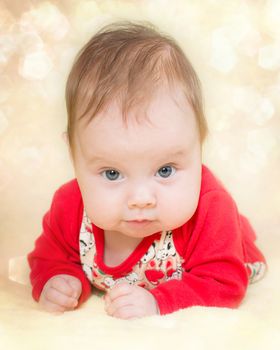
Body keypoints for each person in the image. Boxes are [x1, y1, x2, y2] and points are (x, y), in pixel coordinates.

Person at [28, 21, 266, 319]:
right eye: (112, 173)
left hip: (227, 247)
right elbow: (48, 257)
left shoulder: (211, 209)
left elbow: (223, 283)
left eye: (165, 170)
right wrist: (57, 279)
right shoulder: (69, 207)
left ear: (198, 146)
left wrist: (158, 302)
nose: (141, 198)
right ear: (75, 158)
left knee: (234, 249)